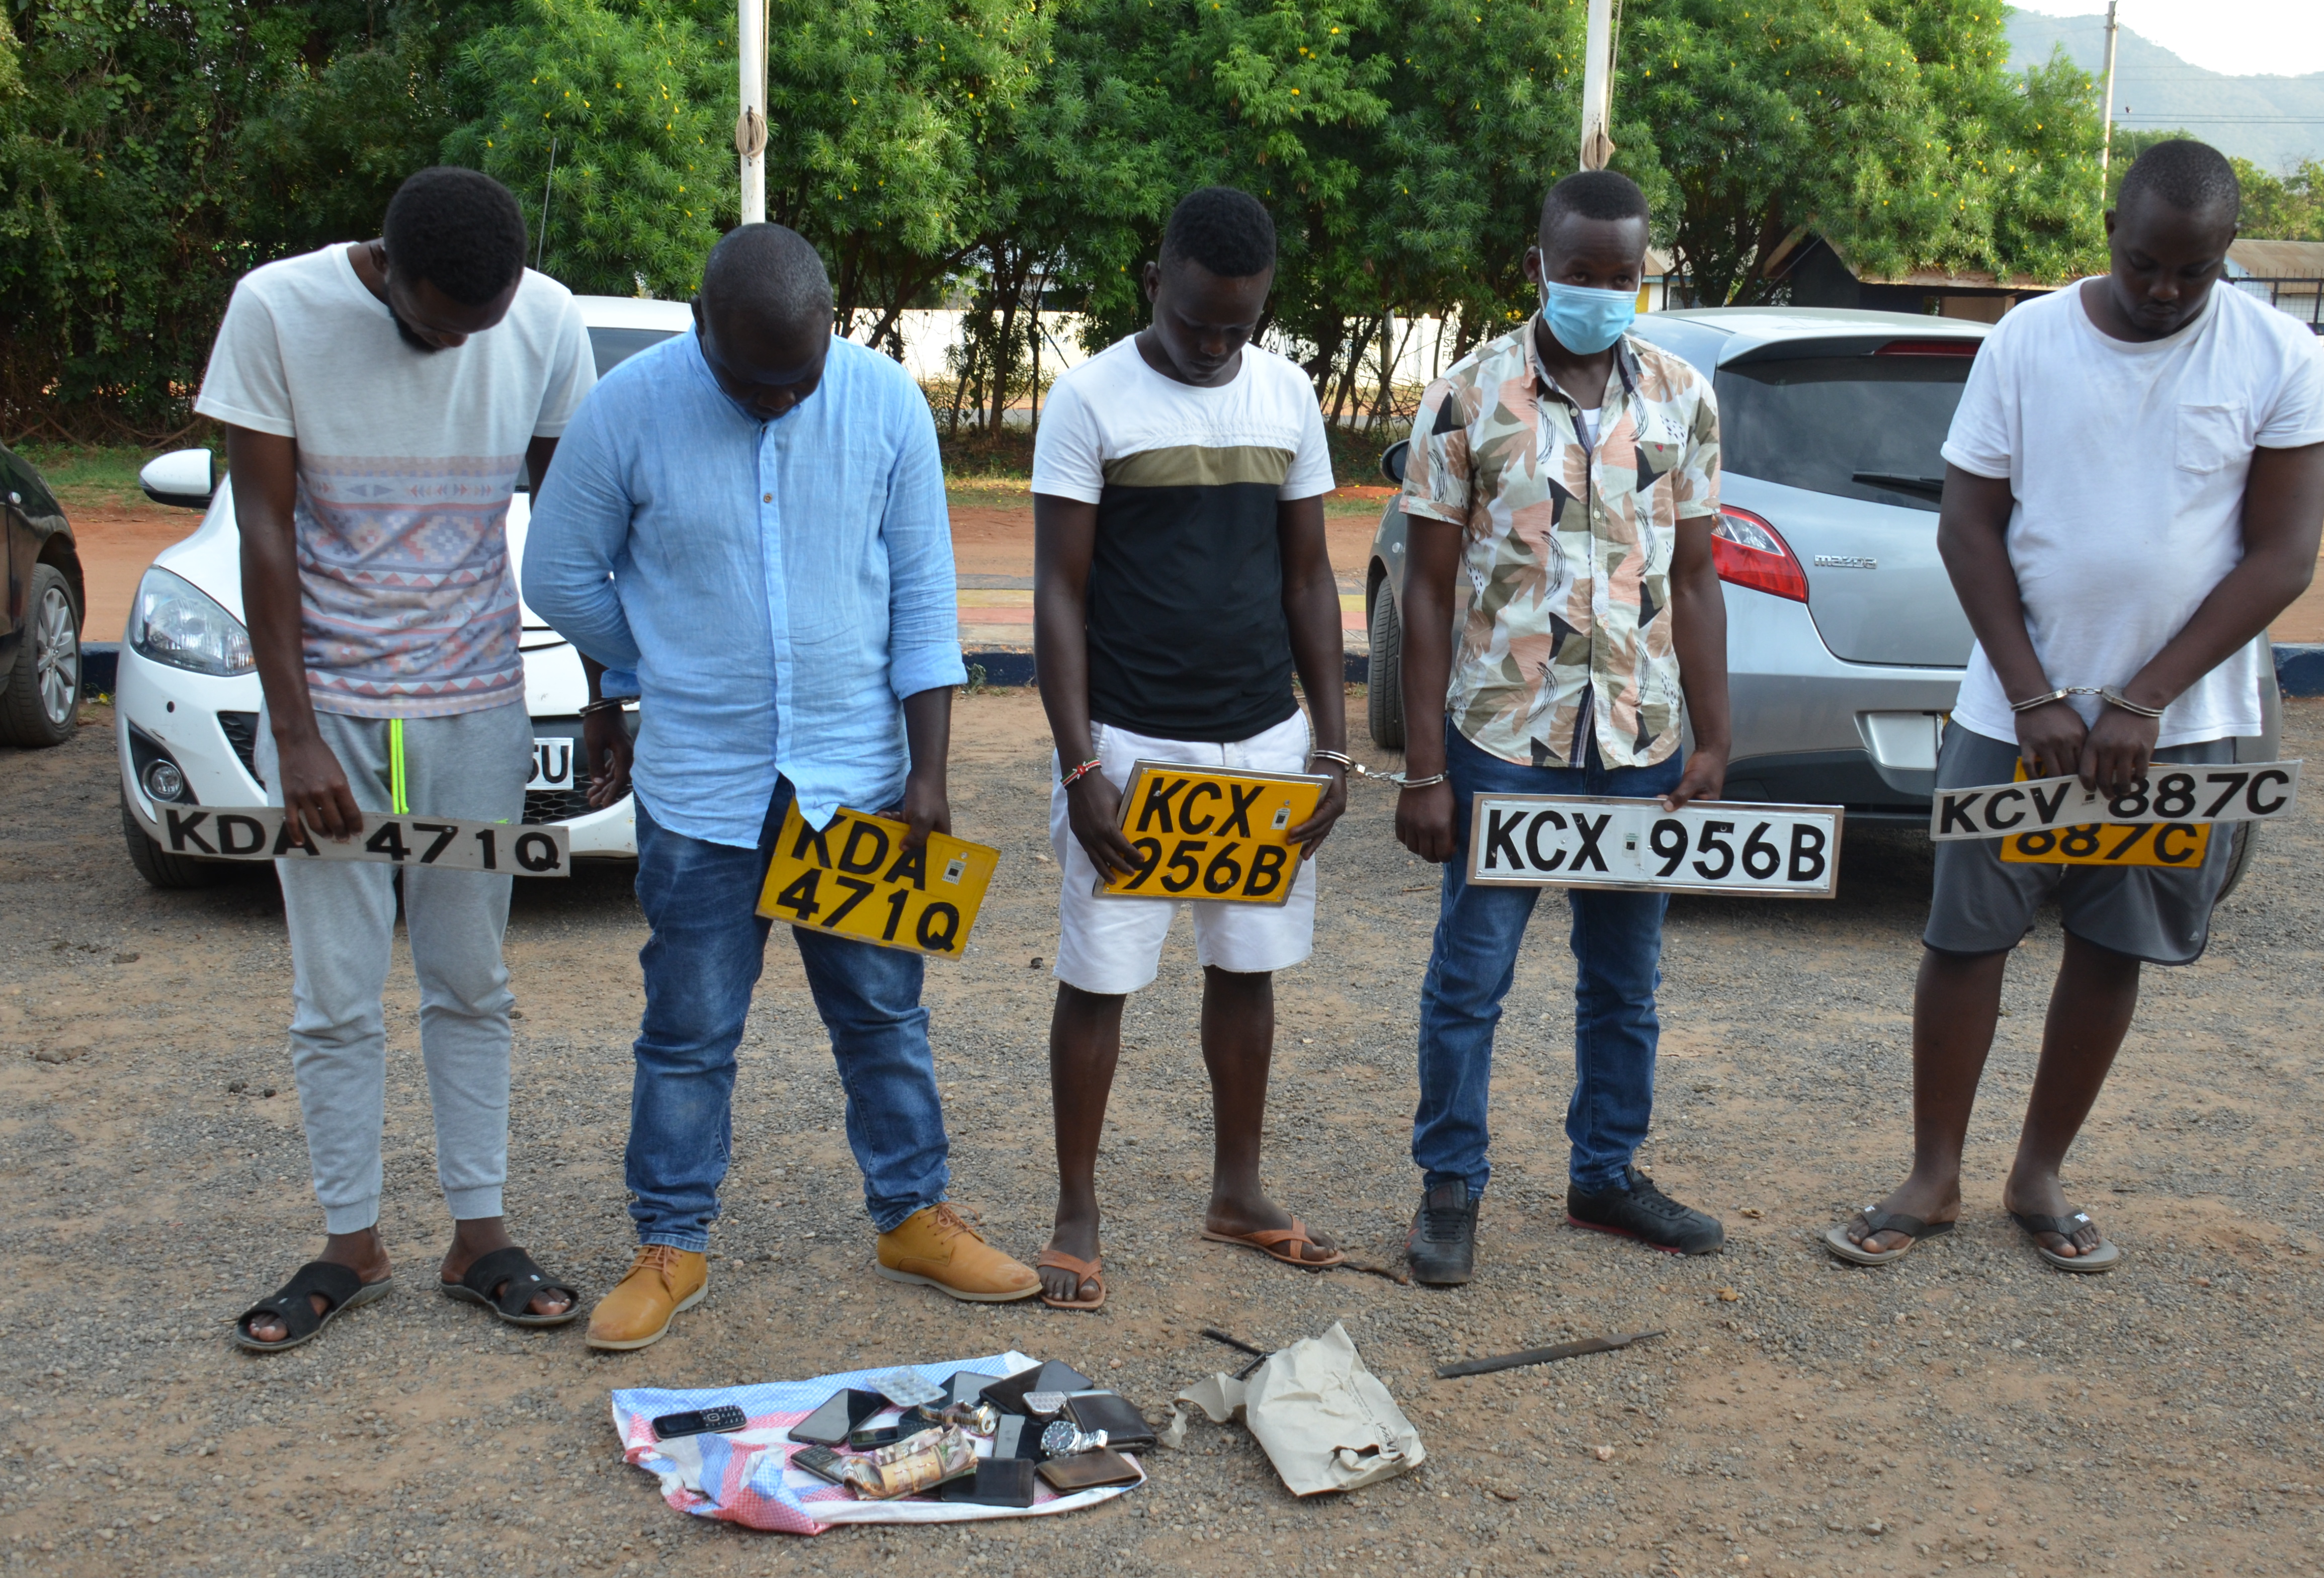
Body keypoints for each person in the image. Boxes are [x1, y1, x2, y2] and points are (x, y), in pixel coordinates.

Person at [523, 223, 1040, 1350]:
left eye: (797, 379)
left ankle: (913, 1215)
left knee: (884, 1013)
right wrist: (651, 658)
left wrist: (930, 773)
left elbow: (923, 596)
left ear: (830, 333)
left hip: (858, 781)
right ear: (700, 327)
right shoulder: (628, 409)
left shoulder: (886, 403)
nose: (776, 400)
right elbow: (556, 571)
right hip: (701, 789)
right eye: (750, 381)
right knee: (688, 1029)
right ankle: (671, 1242)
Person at [1825, 138, 2324, 1275]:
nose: (2163, 290)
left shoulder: (2280, 356)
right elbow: (1968, 526)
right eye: (2143, 262)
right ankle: (1932, 1175)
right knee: (1966, 935)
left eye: (2192, 272)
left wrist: (2142, 701)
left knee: (2113, 942)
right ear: (2111, 230)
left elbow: (2283, 555)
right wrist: (2032, 694)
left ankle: (2038, 1176)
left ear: (2226, 253)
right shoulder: (2027, 340)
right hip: (2012, 718)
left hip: (2180, 729)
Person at [201, 167, 598, 1350]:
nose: (459, 346)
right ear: (387, 271)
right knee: (334, 993)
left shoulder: (546, 318)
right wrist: (295, 733)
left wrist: (609, 685)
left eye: (482, 325)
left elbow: (572, 517)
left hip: (477, 704)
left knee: (471, 980)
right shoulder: (278, 309)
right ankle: (350, 1243)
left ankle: (480, 1236)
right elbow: (262, 526)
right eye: (438, 325)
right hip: (330, 712)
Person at [1390, 170, 1732, 1288]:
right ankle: (1450, 1187)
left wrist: (1714, 739)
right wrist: (1425, 769)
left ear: (1643, 274)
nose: (1600, 290)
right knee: (1468, 982)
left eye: (1620, 274)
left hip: (1640, 743)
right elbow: (1425, 590)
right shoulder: (1467, 396)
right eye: (1579, 271)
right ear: (1537, 267)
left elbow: (1697, 579)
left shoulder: (1682, 398)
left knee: (1625, 984)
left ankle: (1606, 1174)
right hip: (1503, 745)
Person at [1028, 186, 1352, 1309]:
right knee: (1099, 979)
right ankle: (1077, 1209)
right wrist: (1081, 765)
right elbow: (1059, 594)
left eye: (1238, 327)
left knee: (1245, 967)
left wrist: (1331, 749)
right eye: (1195, 322)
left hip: (1262, 739)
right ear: (1152, 281)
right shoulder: (1088, 399)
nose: (1215, 347)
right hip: (1128, 745)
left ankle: (1237, 1190)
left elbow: (1308, 578)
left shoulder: (1286, 395)